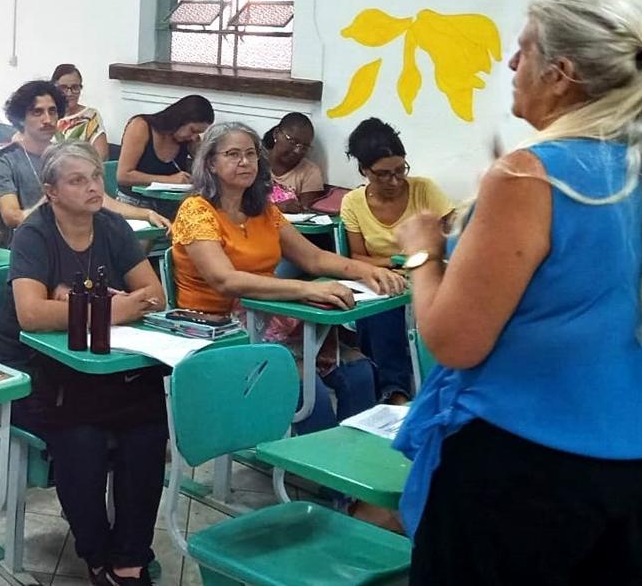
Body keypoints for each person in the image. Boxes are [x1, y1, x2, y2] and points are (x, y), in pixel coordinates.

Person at [393, 0, 642, 585]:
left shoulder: (529, 174)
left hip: (523, 471)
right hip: (632, 471)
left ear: (561, 76)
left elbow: (454, 342)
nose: (510, 65)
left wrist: (421, 249)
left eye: (523, 51)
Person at [0, 141, 167, 586]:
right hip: (32, 370)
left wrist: (83, 304)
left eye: (95, 178)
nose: (92, 188)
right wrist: (114, 308)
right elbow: (33, 315)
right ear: (50, 191)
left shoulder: (111, 227)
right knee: (82, 438)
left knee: (148, 428)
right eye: (77, 180)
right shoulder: (35, 233)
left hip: (97, 365)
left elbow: (155, 295)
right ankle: (95, 550)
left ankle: (129, 554)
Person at [170, 122, 406, 434]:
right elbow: (225, 280)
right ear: (210, 163)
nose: (244, 162)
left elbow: (314, 257)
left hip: (270, 316)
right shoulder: (196, 211)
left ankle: (345, 467)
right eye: (233, 154)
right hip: (218, 327)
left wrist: (370, 270)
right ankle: (317, 467)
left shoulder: (263, 210)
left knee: (359, 371)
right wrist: (304, 289)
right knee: (309, 391)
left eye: (251, 154)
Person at [340, 117, 453, 403]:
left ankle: (442, 391)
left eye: (400, 170)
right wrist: (395, 260)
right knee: (381, 300)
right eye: (382, 174)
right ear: (364, 170)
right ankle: (394, 393)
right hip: (387, 277)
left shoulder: (423, 189)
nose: (394, 181)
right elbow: (357, 257)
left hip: (429, 273)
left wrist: (422, 256)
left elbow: (452, 237)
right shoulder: (353, 202)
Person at [0, 80, 170, 245]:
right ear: (20, 118)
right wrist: (51, 199)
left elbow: (102, 200)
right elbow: (13, 218)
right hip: (29, 246)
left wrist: (146, 214)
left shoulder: (67, 154)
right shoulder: (2, 160)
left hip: (76, 241)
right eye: (37, 112)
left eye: (53, 111)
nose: (48, 120)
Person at [116, 95, 214, 219]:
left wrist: (200, 152)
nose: (194, 136)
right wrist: (168, 179)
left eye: (198, 133)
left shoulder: (188, 140)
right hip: (136, 203)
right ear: (180, 119)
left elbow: (209, 166)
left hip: (170, 205)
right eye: (192, 130)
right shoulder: (141, 126)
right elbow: (123, 175)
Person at [262, 112, 325, 213]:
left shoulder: (310, 172)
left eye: (304, 147)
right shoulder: (255, 161)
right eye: (292, 142)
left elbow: (305, 213)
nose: (297, 151)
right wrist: (277, 207)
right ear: (276, 134)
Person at [51, 64, 109, 159]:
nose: (69, 93)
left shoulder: (90, 116)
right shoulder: (47, 116)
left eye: (75, 87)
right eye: (63, 88)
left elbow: (102, 156)